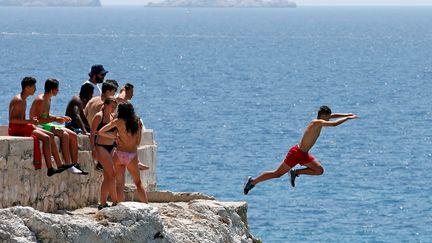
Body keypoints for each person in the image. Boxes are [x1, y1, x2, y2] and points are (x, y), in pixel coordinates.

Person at [244, 106, 358, 194]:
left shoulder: (321, 120)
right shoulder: (316, 122)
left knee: (319, 170)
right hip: (296, 153)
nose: (329, 118)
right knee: (277, 174)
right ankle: (252, 182)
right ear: (322, 115)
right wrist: (347, 118)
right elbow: (334, 124)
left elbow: (333, 116)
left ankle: (295, 172)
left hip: (304, 154)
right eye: (327, 116)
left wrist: (347, 113)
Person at [8, 77, 69, 176]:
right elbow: (12, 120)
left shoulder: (23, 99)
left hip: (23, 126)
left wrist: (30, 122)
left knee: (51, 135)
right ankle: (50, 168)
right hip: (16, 128)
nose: (35, 89)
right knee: (46, 138)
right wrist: (30, 121)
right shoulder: (19, 100)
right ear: (27, 88)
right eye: (34, 87)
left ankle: (60, 165)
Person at [30, 78, 87, 175]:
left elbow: (46, 115)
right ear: (52, 89)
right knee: (64, 135)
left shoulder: (48, 98)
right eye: (57, 89)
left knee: (73, 135)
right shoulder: (41, 100)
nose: (58, 91)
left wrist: (60, 117)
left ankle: (74, 164)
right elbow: (38, 119)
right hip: (39, 125)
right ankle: (68, 164)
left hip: (47, 123)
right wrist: (55, 119)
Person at [98, 102, 148, 203]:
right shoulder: (138, 122)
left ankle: (120, 207)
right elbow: (138, 143)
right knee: (138, 183)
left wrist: (114, 137)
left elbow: (101, 132)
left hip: (119, 154)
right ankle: (146, 206)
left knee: (119, 185)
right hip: (131, 155)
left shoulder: (118, 121)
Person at [90, 97, 119, 209]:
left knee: (108, 175)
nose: (113, 108)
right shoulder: (99, 116)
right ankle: (115, 202)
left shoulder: (112, 117)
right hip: (101, 147)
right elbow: (92, 134)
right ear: (105, 105)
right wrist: (93, 149)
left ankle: (102, 203)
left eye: (115, 107)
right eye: (112, 106)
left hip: (111, 146)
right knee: (112, 173)